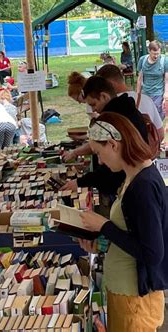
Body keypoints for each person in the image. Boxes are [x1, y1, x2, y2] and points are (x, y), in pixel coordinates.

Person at [78, 112, 167, 331]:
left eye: (99, 153)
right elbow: (134, 235)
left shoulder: (142, 186)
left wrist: (103, 226)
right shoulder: (134, 176)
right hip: (127, 295)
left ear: (112, 144)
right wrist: (101, 243)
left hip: (134, 302)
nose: (99, 161)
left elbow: (152, 253)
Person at [62, 76, 149, 200]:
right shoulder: (125, 110)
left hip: (122, 184)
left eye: (93, 104)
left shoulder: (113, 119)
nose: (93, 109)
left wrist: (81, 182)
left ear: (104, 96)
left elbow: (108, 172)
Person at [96, 64, 163, 142]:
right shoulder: (146, 99)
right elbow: (160, 134)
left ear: (111, 84)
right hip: (147, 152)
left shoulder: (111, 106)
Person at [137, 40, 168, 121]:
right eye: (154, 54)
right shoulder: (142, 60)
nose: (156, 56)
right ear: (149, 51)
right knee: (146, 119)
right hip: (145, 94)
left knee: (157, 120)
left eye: (158, 53)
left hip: (158, 95)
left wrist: (166, 93)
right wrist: (138, 95)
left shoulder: (164, 61)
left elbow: (167, 79)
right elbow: (139, 79)